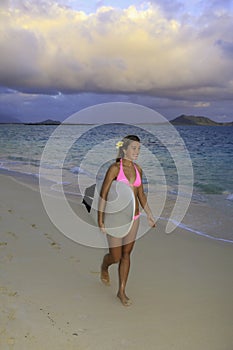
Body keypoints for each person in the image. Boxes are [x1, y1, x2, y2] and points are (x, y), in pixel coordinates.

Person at [98, 135, 156, 306]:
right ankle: (104, 265)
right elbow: (104, 194)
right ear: (124, 149)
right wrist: (100, 220)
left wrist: (149, 214)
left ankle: (121, 292)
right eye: (133, 148)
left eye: (139, 148)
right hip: (116, 217)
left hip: (134, 217)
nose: (137, 152)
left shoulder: (139, 169)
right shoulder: (115, 169)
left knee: (126, 254)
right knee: (115, 256)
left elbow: (141, 195)